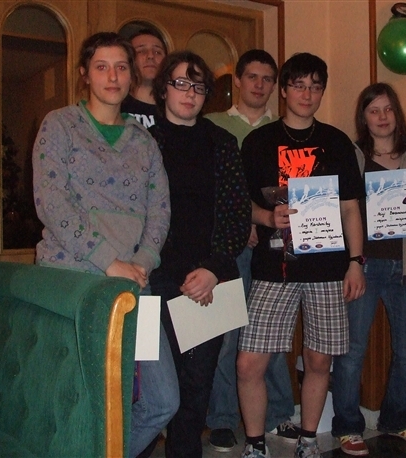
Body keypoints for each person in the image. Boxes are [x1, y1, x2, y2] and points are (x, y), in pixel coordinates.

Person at [32, 32, 179, 458]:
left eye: (120, 67)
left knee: (162, 401)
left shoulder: (144, 141)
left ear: (131, 76)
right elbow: (52, 203)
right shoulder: (60, 125)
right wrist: (108, 261)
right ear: (85, 74)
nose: (112, 76)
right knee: (81, 402)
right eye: (101, 67)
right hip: (74, 279)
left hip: (134, 283)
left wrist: (143, 261)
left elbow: (160, 210)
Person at [237, 52, 366, 458]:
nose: (307, 94)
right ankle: (255, 445)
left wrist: (356, 262)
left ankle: (308, 441)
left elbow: (350, 207)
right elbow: (240, 203)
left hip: (327, 268)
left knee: (318, 360)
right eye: (299, 85)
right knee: (249, 363)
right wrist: (266, 217)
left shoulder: (337, 142)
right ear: (284, 90)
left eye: (315, 87)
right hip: (273, 268)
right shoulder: (257, 142)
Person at [148, 50, 252, 458]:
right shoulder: (143, 141)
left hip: (209, 279)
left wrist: (213, 268)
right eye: (180, 83)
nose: (190, 93)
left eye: (198, 86)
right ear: (163, 89)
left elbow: (237, 214)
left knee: (196, 386)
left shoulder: (221, 142)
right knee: (152, 388)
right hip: (154, 277)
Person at [331, 83, 406, 456]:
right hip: (365, 265)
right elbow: (339, 209)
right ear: (363, 117)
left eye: (388, 109)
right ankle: (347, 426)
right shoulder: (352, 156)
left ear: (397, 114)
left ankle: (395, 418)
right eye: (374, 110)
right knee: (352, 350)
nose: (382, 117)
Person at [204, 49, 299, 452]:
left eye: (267, 79)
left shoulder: (284, 130)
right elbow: (207, 190)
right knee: (227, 335)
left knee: (269, 334)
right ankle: (223, 418)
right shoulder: (212, 125)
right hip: (230, 246)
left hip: (276, 247)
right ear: (238, 81)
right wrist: (239, 226)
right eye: (252, 77)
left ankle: (277, 413)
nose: (259, 85)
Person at [121, 27, 168, 128]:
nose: (150, 56)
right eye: (141, 51)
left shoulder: (174, 109)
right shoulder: (116, 107)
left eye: (157, 52)